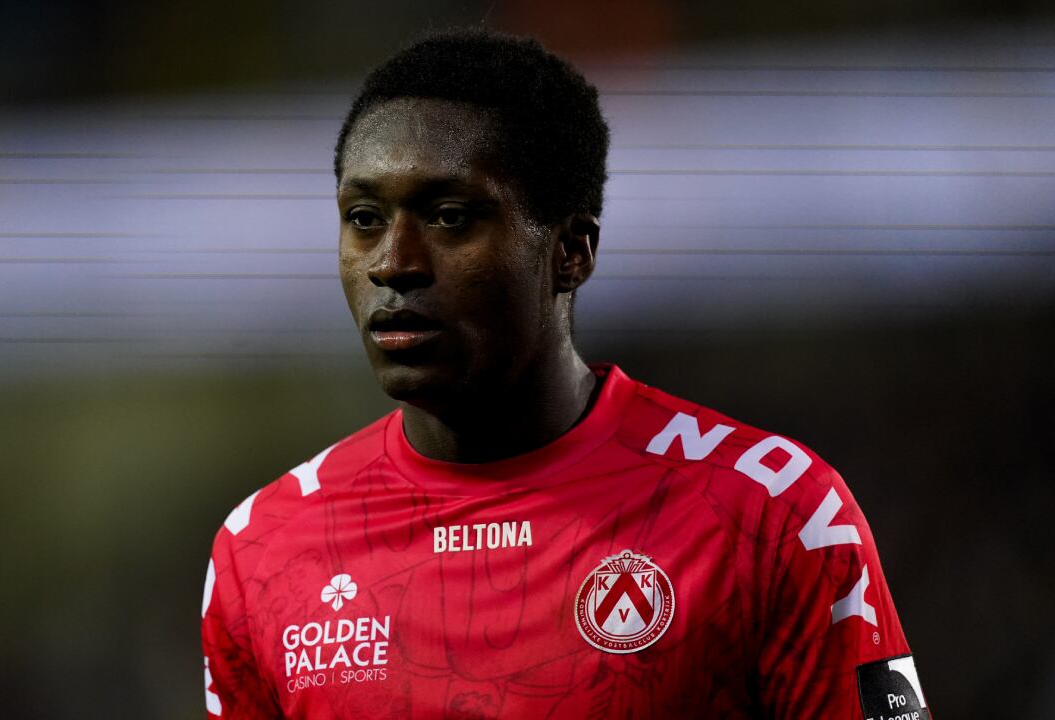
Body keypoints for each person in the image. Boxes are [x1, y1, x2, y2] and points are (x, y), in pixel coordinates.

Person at [201, 29, 928, 719]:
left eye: (450, 217)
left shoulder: (775, 512)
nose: (394, 262)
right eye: (363, 217)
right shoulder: (264, 547)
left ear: (571, 250)